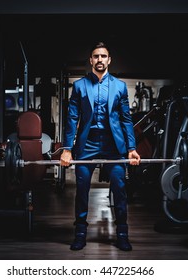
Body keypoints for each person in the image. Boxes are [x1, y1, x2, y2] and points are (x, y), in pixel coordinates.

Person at [60, 41, 141, 251]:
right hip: (87, 143)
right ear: (90, 60)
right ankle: (80, 233)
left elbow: (126, 120)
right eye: (96, 56)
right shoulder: (79, 86)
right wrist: (67, 149)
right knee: (82, 189)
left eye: (103, 56)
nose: (99, 60)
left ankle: (122, 233)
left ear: (109, 60)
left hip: (113, 144)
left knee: (120, 189)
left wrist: (131, 148)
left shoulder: (120, 86)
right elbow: (72, 118)